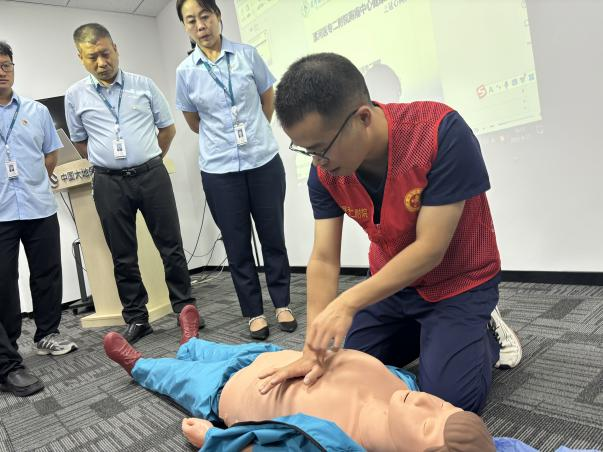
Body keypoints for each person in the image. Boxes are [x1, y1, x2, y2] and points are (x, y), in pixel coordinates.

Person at [257, 53, 523, 414]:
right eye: (306, 152)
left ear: (363, 118)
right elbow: (324, 258)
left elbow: (430, 249)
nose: (317, 163)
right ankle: (430, 335)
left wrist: (347, 303)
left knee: (445, 404)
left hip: (457, 283)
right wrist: (312, 348)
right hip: (394, 287)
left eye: (321, 149)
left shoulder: (440, 132)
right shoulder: (325, 173)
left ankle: (484, 329)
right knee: (334, 371)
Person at [104, 306, 496, 451]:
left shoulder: (334, 445)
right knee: (214, 350)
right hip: (276, 358)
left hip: (225, 392)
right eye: (441, 405)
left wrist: (212, 439)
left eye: (428, 424)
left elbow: (266, 449)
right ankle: (192, 343)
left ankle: (138, 365)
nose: (426, 401)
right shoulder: (405, 388)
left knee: (176, 376)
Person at [65, 23, 204, 344]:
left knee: (170, 246)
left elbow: (167, 129)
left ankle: (186, 310)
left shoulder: (144, 85)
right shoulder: (75, 96)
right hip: (108, 183)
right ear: (80, 58)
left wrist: (148, 159)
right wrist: (110, 162)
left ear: (115, 48)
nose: (102, 62)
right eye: (92, 57)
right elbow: (80, 142)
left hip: (151, 175)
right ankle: (138, 318)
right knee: (123, 254)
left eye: (105, 53)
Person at [174, 0, 296, 340]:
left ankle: (282, 303)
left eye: (205, 16)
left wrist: (255, 132)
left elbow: (267, 98)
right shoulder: (186, 72)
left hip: (262, 162)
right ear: (185, 27)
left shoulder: (247, 55)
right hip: (219, 170)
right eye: (191, 20)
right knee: (237, 244)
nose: (200, 25)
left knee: (273, 237)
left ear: (218, 17)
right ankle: (254, 312)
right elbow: (194, 121)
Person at [0, 41, 77, 397]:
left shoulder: (36, 111)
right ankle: (9, 347)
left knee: (46, 272)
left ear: (14, 68)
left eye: (6, 64)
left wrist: (32, 181)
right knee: (4, 281)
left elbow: (50, 155)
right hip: (1, 213)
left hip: (38, 206)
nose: (1, 71)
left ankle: (47, 334)